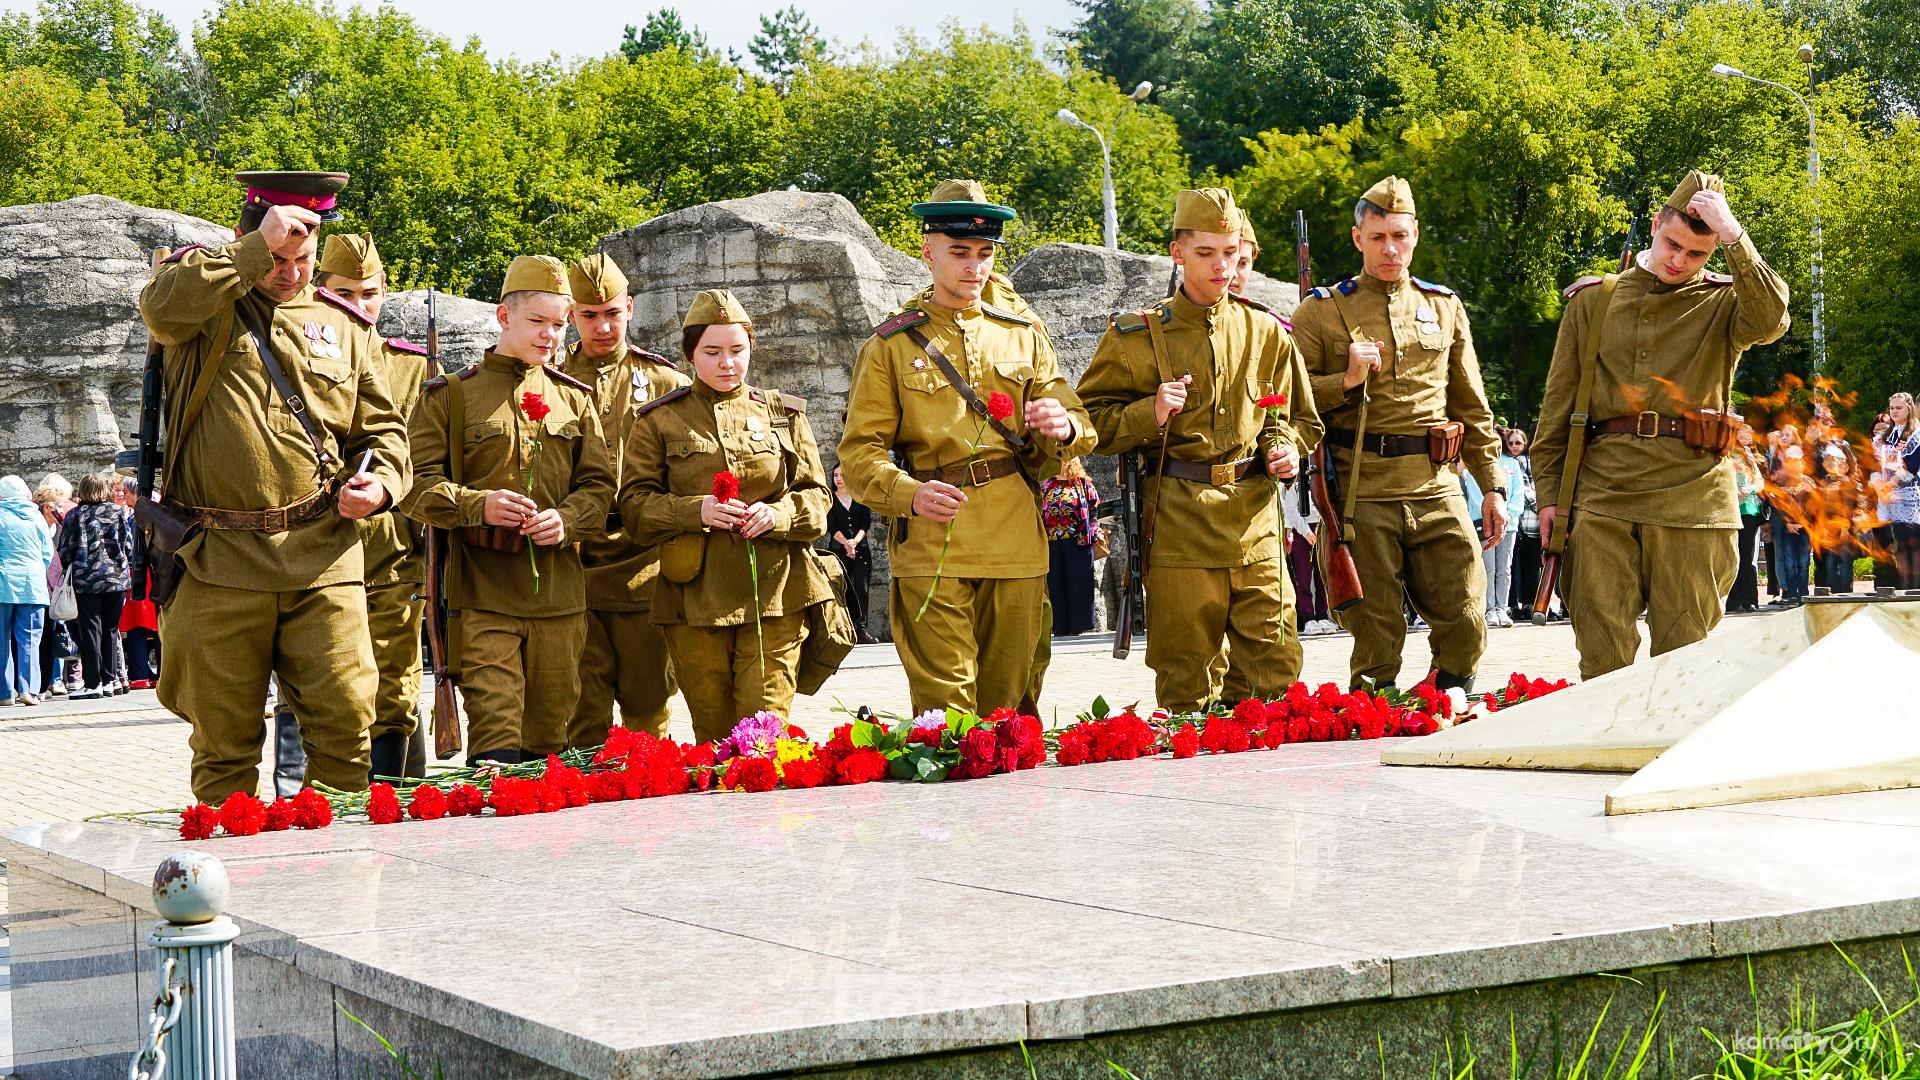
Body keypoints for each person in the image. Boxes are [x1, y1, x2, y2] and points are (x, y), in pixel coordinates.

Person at [138, 170, 410, 804]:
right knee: (224, 747)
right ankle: (231, 872)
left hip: (324, 555)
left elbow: (387, 431)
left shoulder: (344, 325)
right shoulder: (204, 302)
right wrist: (253, 249)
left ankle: (337, 878)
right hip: (216, 559)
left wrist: (381, 486)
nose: (289, 271)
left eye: (303, 258)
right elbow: (161, 309)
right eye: (277, 256)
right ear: (247, 237)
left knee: (346, 730)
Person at [839, 179, 1094, 714]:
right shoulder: (890, 345)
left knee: (1009, 710)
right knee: (947, 714)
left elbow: (1076, 424)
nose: (974, 266)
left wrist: (1062, 426)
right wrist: (907, 493)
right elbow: (859, 455)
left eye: (984, 253)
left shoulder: (1022, 333)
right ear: (927, 252)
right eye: (959, 253)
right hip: (935, 539)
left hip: (1015, 538)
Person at [1532, 170, 1789, 678]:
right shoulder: (1592, 300)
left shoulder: (1725, 302)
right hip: (1604, 492)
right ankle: (1604, 752)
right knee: (1602, 655)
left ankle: (1676, 756)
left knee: (1686, 657)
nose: (1679, 261)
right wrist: (1548, 496)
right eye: (1673, 244)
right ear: (1655, 225)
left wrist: (1735, 236)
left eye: (1697, 254)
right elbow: (1558, 408)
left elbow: (1771, 320)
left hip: (1692, 497)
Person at [1079, 186, 1323, 711]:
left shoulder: (1267, 333)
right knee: (1187, 675)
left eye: (1231, 253)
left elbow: (1297, 416)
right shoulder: (1134, 338)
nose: (1221, 267)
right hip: (1179, 521)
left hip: (1254, 517)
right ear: (1177, 252)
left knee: (1275, 665)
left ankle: (1251, 770)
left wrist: (1285, 447)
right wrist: (1151, 412)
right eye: (1206, 253)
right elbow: (1088, 422)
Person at [1290, 175, 1506, 692]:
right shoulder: (1321, 310)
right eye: (1379, 236)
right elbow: (1290, 398)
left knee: (1468, 617)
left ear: (1415, 236)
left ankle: (1443, 696)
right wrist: (1343, 380)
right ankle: (1372, 723)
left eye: (1401, 236)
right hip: (1362, 491)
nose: (1391, 248)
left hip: (1435, 485)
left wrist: (1492, 484)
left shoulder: (1443, 305)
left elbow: (1471, 403)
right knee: (1376, 633)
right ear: (1357, 238)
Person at [402, 254, 611, 765]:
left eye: (559, 325)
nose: (550, 336)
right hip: (483, 593)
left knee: (548, 740)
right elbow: (413, 486)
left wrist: (566, 519)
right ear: (503, 316)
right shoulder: (450, 396)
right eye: (537, 321)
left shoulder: (575, 400)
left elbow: (600, 486)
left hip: (559, 599)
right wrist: (479, 505)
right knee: (497, 743)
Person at [621, 289, 834, 742]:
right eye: (712, 352)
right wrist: (694, 510)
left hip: (776, 593)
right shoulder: (659, 420)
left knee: (764, 735)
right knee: (714, 737)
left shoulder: (783, 414)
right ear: (689, 355)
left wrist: (778, 515)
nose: (727, 363)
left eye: (737, 351)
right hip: (694, 601)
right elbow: (635, 509)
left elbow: (818, 499)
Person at [312, 232, 434, 780]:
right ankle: (311, 796)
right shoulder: (297, 356)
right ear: (320, 291)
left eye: (368, 293)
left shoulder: (412, 367)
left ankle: (393, 795)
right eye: (343, 293)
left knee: (394, 682)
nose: (357, 306)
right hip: (315, 545)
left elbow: (427, 459)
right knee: (319, 681)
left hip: (392, 550)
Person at [561, 252, 689, 746]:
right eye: (589, 316)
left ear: (630, 309)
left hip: (643, 563)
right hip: (570, 560)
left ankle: (648, 803)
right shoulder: (547, 378)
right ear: (572, 315)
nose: (602, 327)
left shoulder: (665, 383)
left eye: (612, 313)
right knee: (580, 707)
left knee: (648, 703)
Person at [55, 473, 133, 700]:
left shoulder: (75, 515)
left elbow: (65, 550)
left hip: (86, 580)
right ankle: (109, 681)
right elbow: (128, 545)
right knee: (110, 630)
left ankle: (93, 683)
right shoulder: (117, 512)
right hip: (116, 579)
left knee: (90, 631)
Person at [0, 476, 52, 707]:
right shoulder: (36, 517)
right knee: (29, 640)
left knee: (1, 640)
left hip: (3, 585)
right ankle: (28, 690)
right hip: (33, 586)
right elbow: (46, 553)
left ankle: (4, 692)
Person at [1040, 457, 1101, 637]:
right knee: (1056, 583)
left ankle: (1078, 625)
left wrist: (1093, 532)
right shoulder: (1047, 485)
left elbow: (1094, 510)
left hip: (1079, 540)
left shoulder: (1083, 485)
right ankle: (1059, 625)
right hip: (1052, 540)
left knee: (1079, 582)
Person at [31, 475, 78, 697]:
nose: (63, 509)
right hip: (41, 587)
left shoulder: (58, 527)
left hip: (55, 588)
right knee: (42, 637)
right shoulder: (38, 525)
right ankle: (42, 683)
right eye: (59, 505)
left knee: (53, 634)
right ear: (48, 507)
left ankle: (52, 680)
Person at [1874, 394, 1920, 588]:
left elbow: (1912, 465)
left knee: (1914, 543)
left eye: (1899, 408)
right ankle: (1906, 588)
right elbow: (1879, 465)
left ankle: (1916, 590)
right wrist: (1880, 484)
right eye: (1892, 408)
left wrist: (1892, 482)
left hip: (1912, 493)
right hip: (1892, 496)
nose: (1894, 411)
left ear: (1909, 408)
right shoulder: (1886, 436)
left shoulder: (1916, 434)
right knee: (1900, 543)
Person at [827, 464, 875, 643]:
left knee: (862, 590)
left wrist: (854, 542)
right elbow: (831, 526)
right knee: (841, 590)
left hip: (861, 549)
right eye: (835, 475)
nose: (838, 479)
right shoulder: (830, 499)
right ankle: (843, 629)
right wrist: (847, 543)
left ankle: (861, 629)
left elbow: (866, 523)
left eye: (842, 475)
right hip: (838, 551)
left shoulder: (860, 497)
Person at [1482, 429, 1526, 627]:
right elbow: (1477, 494)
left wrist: (1509, 514)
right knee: (1488, 568)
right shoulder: (1481, 465)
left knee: (1504, 569)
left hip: (1509, 524)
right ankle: (1489, 609)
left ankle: (1502, 607)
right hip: (1486, 524)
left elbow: (1518, 492)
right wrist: (1489, 515)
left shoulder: (1512, 464)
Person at [1726, 424, 1767, 613]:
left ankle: (1749, 598)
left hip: (1748, 508)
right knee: (1731, 554)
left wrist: (1747, 490)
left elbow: (1759, 482)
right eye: (1744, 434)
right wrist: (1733, 491)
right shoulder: (1725, 453)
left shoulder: (1750, 455)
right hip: (1730, 507)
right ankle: (1732, 599)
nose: (1748, 437)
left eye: (1749, 435)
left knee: (1747, 555)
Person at [1504, 428, 1542, 621]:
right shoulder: (1508, 463)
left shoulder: (1531, 462)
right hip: (1514, 521)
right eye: (1510, 443)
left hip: (1532, 523)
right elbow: (1523, 491)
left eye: (1517, 443)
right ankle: (1511, 605)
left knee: (1532, 566)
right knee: (1509, 565)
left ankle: (1529, 604)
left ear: (1525, 444)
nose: (1514, 447)